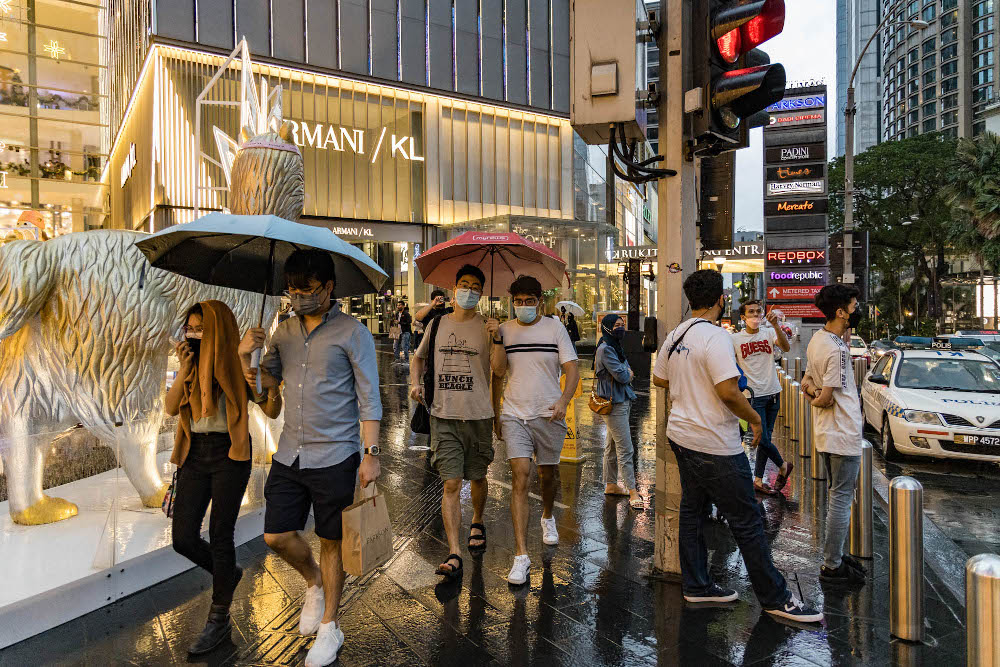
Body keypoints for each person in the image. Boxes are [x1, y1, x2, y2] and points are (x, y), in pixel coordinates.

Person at [652, 269, 822, 623]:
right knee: (747, 519)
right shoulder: (715, 337)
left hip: (681, 436)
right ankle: (776, 598)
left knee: (693, 510)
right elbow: (728, 391)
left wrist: (692, 383)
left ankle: (697, 586)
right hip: (714, 441)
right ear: (720, 300)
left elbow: (658, 378)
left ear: (690, 300)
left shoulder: (675, 335)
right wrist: (756, 420)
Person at [239, 249, 382, 667]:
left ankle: (329, 625)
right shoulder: (281, 333)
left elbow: (369, 398)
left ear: (329, 288)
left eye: (308, 290)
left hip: (337, 454)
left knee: (332, 542)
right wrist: (246, 355)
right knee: (275, 535)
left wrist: (371, 455)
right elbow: (268, 401)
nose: (299, 297)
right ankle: (313, 582)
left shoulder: (353, 333)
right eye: (293, 290)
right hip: (290, 452)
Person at [166, 300, 282, 656]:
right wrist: (185, 369)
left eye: (201, 329)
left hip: (230, 455)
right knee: (183, 538)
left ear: (218, 329)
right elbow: (171, 408)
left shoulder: (239, 360)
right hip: (194, 455)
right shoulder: (188, 361)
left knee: (220, 534)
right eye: (190, 328)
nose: (194, 334)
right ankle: (227, 574)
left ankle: (219, 618)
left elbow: (272, 408)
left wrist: (252, 370)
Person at [410, 265, 500, 579]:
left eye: (476, 286)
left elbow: (500, 370)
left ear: (482, 292)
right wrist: (415, 382)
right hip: (442, 414)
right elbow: (417, 357)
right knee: (450, 482)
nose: (469, 290)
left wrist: (497, 337)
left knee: (477, 476)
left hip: (478, 415)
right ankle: (454, 551)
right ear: (454, 288)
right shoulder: (436, 324)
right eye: (464, 284)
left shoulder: (488, 327)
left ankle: (477, 520)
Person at [492, 275, 580, 586]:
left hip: (549, 413)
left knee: (548, 475)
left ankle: (547, 515)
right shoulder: (504, 330)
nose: (524, 306)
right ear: (511, 301)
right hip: (514, 413)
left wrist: (563, 400)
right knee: (520, 475)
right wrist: (496, 413)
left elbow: (572, 368)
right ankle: (521, 556)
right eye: (519, 301)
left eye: (530, 301)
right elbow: (498, 372)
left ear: (540, 301)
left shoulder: (555, 327)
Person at [801, 284, 867, 587]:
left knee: (835, 497)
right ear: (840, 312)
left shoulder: (817, 340)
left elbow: (805, 383)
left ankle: (835, 555)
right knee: (841, 499)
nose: (857, 309)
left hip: (827, 433)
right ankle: (831, 565)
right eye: (854, 305)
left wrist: (814, 395)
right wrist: (819, 398)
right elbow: (825, 397)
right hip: (843, 433)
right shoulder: (837, 350)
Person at [731, 300, 793, 495]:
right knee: (762, 437)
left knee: (766, 437)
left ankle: (758, 480)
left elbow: (786, 347)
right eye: (751, 312)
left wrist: (775, 325)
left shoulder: (768, 333)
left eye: (758, 311)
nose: (756, 315)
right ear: (743, 318)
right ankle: (783, 466)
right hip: (753, 395)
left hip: (773, 392)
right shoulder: (734, 339)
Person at [595, 314, 642, 509]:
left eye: (622, 325)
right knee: (625, 448)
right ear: (606, 328)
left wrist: (627, 372)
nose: (620, 328)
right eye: (616, 325)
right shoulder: (606, 349)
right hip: (614, 403)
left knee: (613, 447)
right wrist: (628, 373)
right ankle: (633, 491)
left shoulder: (614, 346)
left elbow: (627, 370)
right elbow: (624, 375)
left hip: (621, 399)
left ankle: (611, 484)